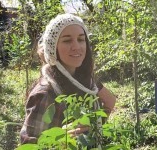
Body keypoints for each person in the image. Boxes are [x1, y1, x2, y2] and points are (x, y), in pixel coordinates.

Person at [20, 13, 116, 145]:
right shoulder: (45, 93)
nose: (76, 46)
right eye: (67, 40)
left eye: (81, 39)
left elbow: (110, 101)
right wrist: (60, 139)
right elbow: (28, 145)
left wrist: (95, 126)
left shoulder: (86, 82)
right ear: (53, 48)